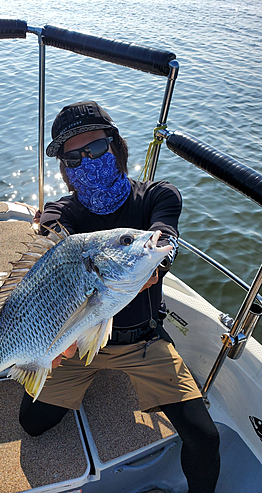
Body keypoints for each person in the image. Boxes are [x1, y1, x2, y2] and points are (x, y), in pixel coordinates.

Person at [19, 101, 220, 493]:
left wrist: (137, 268)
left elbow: (164, 244)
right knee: (32, 423)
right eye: (73, 157)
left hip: (142, 340)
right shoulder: (65, 213)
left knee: (205, 438)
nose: (86, 161)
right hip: (74, 340)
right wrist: (44, 234)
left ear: (117, 147)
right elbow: (53, 233)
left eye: (95, 149)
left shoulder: (158, 196)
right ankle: (85, 372)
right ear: (64, 168)